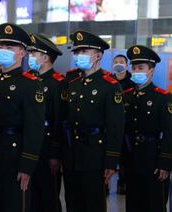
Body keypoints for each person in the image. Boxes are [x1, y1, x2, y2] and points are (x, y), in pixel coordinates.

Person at [0, 23, 45, 212]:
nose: (3, 51)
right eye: (1, 47)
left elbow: (34, 128)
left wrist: (27, 166)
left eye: (10, 47)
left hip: (14, 161)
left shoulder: (30, 84)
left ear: (22, 53)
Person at [63, 30, 124, 212]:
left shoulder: (110, 85)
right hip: (72, 152)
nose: (79, 55)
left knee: (93, 203)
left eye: (84, 52)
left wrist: (111, 161)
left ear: (98, 56)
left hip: (95, 154)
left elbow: (116, 126)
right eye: (77, 52)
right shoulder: (73, 82)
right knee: (73, 202)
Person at [123, 45, 172, 212]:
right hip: (131, 158)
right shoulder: (127, 95)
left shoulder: (162, 97)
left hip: (153, 158)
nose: (136, 71)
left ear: (151, 70)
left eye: (141, 67)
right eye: (134, 67)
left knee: (153, 203)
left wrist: (165, 163)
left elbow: (171, 132)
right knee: (133, 203)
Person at [27, 33, 64, 212]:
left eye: (34, 54)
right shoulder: (29, 80)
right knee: (30, 196)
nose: (30, 57)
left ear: (45, 57)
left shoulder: (57, 83)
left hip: (46, 146)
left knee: (48, 196)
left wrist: (55, 154)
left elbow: (58, 121)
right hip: (29, 146)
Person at [111, 54, 135, 194]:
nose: (118, 64)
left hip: (128, 126)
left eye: (121, 62)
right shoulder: (108, 81)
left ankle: (123, 183)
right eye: (116, 62)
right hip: (112, 125)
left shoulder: (133, 81)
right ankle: (106, 184)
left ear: (126, 64)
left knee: (126, 159)